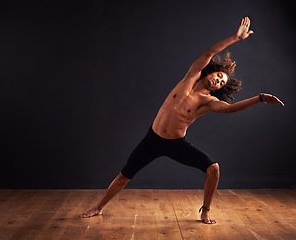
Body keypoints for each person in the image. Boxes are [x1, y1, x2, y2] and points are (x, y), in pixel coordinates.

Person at [81, 17, 284, 224]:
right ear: (211, 71)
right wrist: (235, 38)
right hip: (153, 138)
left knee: (213, 168)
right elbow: (208, 53)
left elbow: (230, 109)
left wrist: (259, 98)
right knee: (124, 175)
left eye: (221, 82)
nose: (218, 80)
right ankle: (98, 207)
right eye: (218, 75)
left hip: (176, 144)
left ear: (218, 89)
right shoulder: (191, 76)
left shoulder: (207, 101)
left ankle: (205, 210)